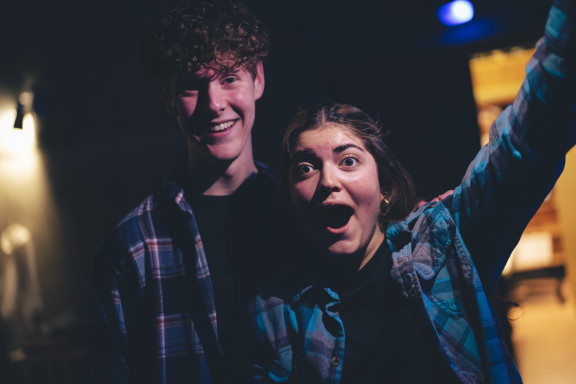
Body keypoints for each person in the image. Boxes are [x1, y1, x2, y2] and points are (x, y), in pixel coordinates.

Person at [247, 0, 576, 382]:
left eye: (348, 160)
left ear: (383, 186)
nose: (328, 181)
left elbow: (527, 139)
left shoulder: (442, 244)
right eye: (306, 167)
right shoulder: (273, 312)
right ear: (291, 199)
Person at [88, 1, 282, 383]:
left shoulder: (302, 216)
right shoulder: (130, 249)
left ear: (257, 79)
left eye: (228, 77)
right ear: (167, 99)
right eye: (192, 86)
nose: (214, 104)